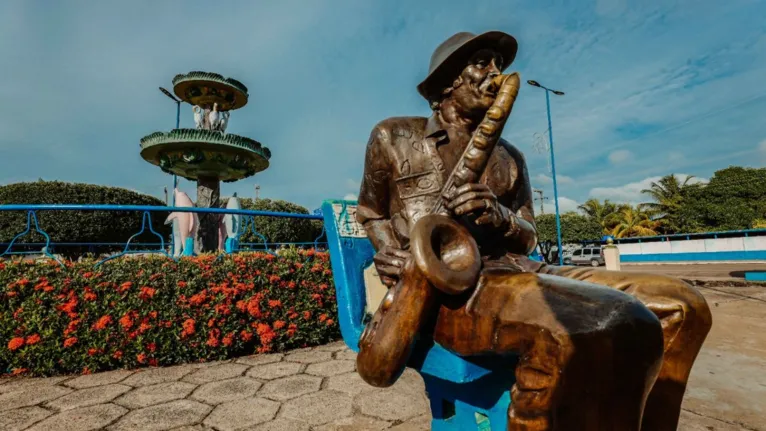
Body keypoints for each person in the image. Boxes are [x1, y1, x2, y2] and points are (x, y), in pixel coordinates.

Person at [356, 31, 712, 431]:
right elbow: (370, 212)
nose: (496, 74)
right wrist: (388, 251)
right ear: (448, 82)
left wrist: (500, 216)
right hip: (448, 294)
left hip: (519, 269)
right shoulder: (393, 136)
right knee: (606, 317)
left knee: (683, 305)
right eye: (483, 62)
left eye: (498, 65)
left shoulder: (512, 157)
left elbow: (529, 236)